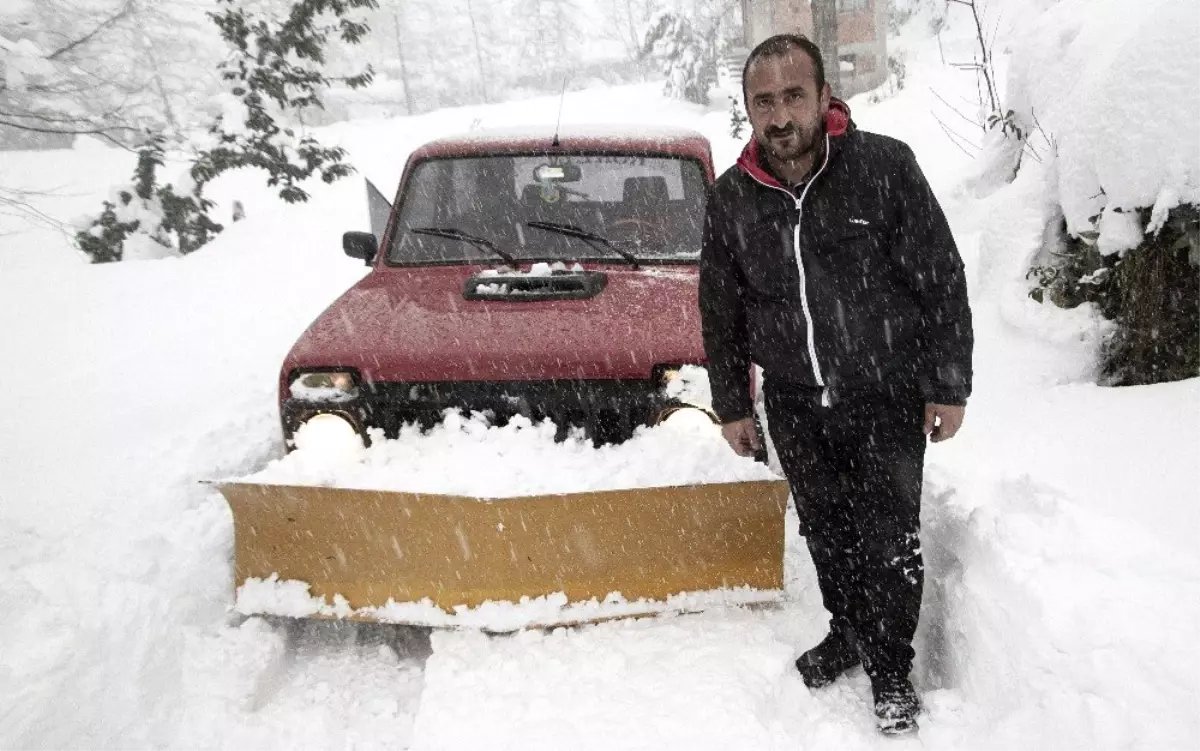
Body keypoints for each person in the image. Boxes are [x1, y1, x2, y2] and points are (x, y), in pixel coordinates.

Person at [698, 34, 973, 735]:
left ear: (825, 97)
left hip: (885, 392)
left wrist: (948, 383)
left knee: (889, 536)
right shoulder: (733, 197)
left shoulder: (883, 167)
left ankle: (890, 665)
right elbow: (720, 306)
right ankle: (848, 630)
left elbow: (939, 276)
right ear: (749, 109)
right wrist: (733, 403)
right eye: (764, 101)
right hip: (794, 400)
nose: (780, 114)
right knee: (827, 531)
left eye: (794, 95)